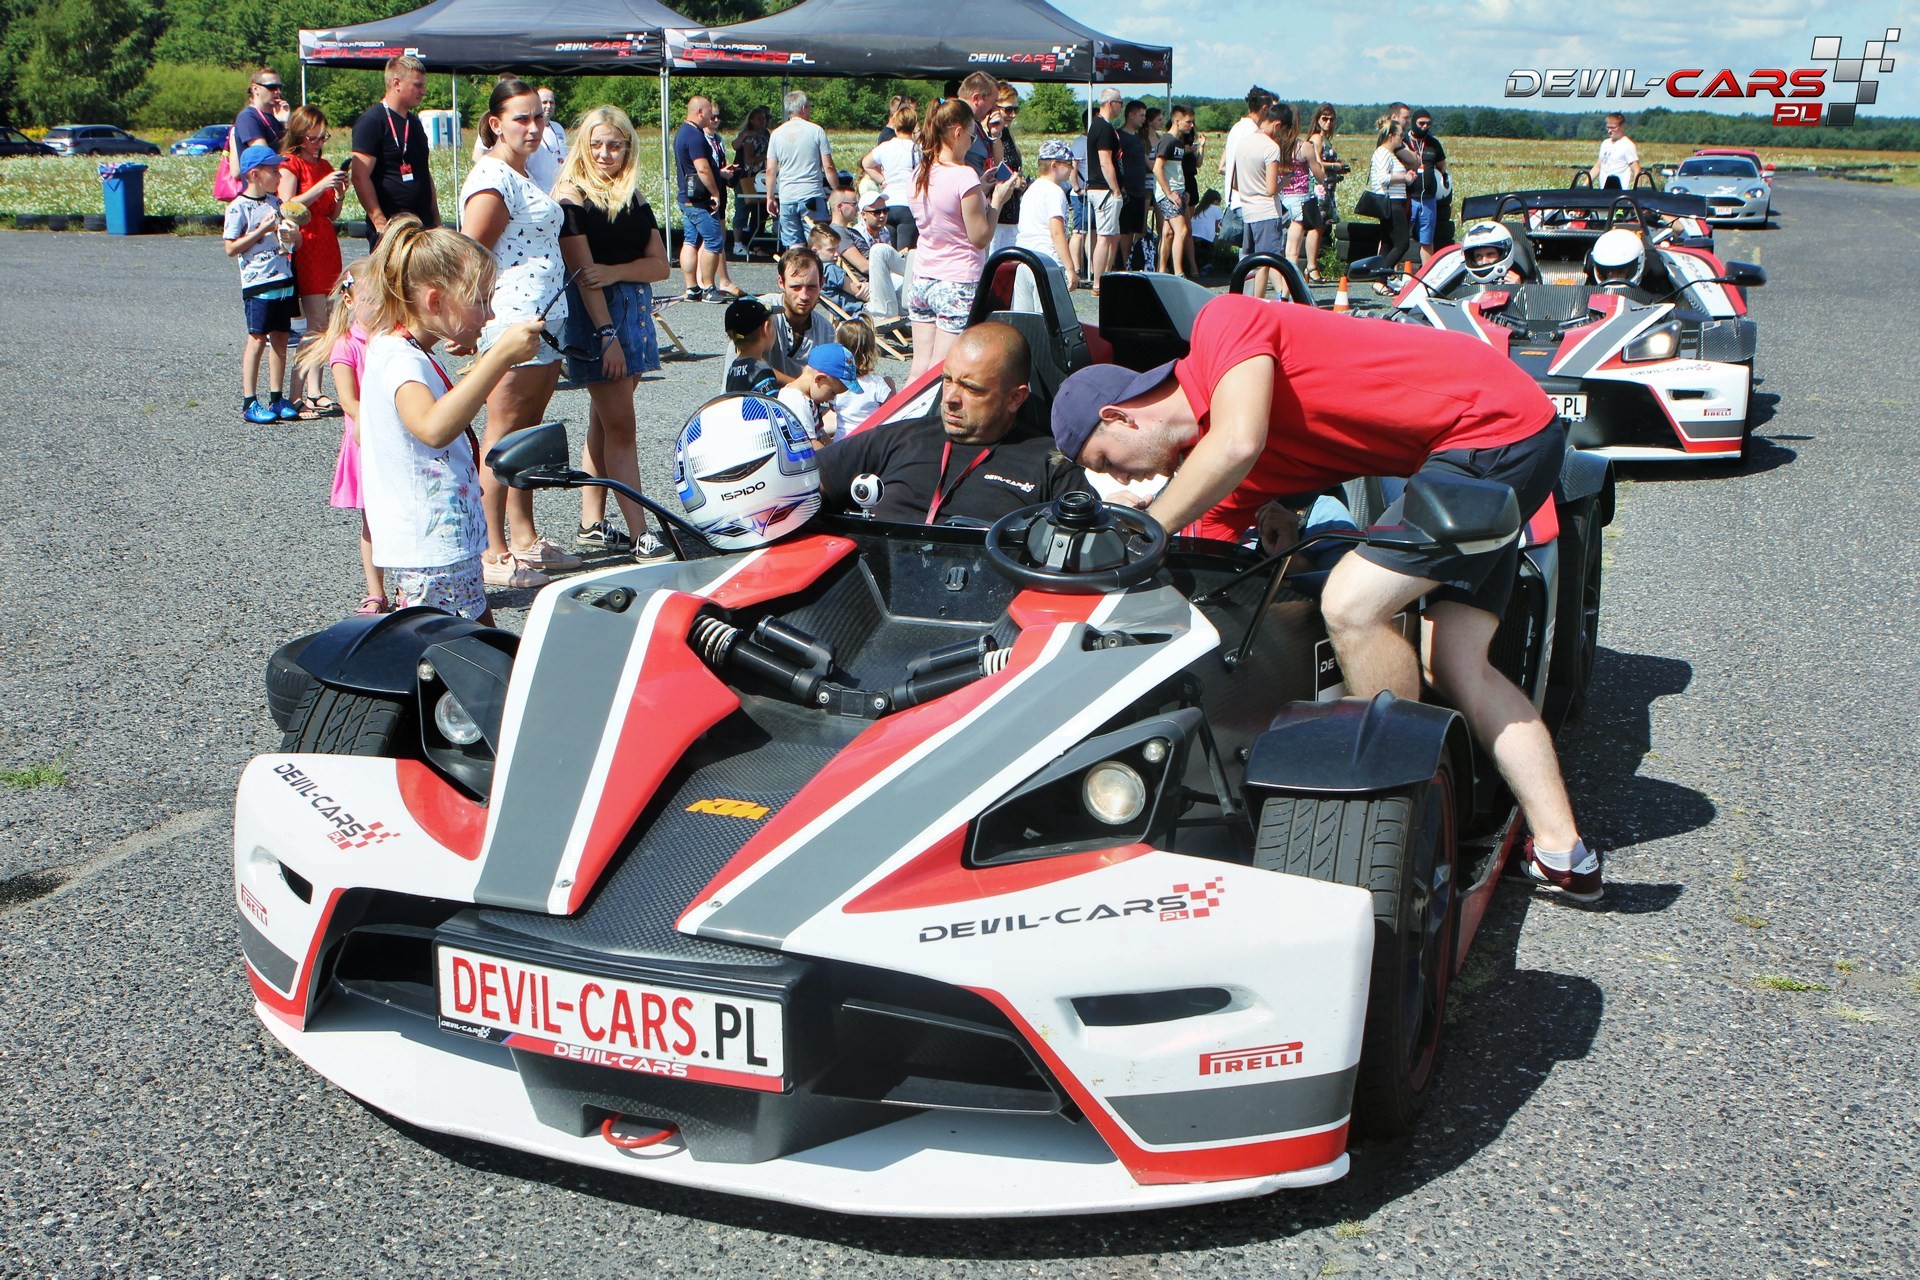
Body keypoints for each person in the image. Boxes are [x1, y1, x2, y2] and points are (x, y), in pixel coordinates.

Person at [1049, 292, 1603, 903]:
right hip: (1487, 447)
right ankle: (1564, 855)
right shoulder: (1227, 474)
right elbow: (1208, 582)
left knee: (1353, 604)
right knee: (1455, 662)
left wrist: (1148, 531)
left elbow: (1236, 443)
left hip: (1493, 425)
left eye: (1106, 460)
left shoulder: (1223, 325)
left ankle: (1397, 829)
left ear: (1120, 416)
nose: (1118, 478)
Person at [358, 216, 545, 624]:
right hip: (432, 550)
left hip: (445, 543)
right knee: (455, 650)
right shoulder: (400, 359)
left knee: (476, 643)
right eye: (479, 300)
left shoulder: (405, 350)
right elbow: (433, 428)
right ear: (435, 302)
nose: (489, 312)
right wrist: (499, 358)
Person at [461, 77, 582, 590]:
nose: (534, 127)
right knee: (502, 435)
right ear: (496, 124)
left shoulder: (525, 172)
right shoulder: (492, 177)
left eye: (539, 116)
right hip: (512, 319)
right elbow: (471, 253)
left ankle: (524, 536)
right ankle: (492, 549)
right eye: (521, 118)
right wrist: (469, 319)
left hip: (544, 319)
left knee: (527, 436)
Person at [820, 322, 1089, 523]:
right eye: (947, 380)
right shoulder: (901, 437)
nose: (949, 398)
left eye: (971, 389)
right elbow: (805, 484)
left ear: (1015, 398)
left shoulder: (1051, 464)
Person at [556, 105, 674, 563]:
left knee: (604, 422)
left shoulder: (632, 193)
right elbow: (584, 275)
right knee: (622, 428)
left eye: (615, 145)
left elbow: (661, 266)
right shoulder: (571, 195)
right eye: (597, 144)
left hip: (635, 313)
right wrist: (606, 334)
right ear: (583, 146)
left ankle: (592, 522)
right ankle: (641, 533)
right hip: (598, 319)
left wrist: (615, 271)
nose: (605, 154)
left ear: (628, 147)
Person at [295, 267, 386, 613]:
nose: (377, 306)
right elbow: (348, 401)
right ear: (348, 300)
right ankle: (376, 591)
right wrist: (379, 423)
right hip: (367, 443)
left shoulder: (394, 338)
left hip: (399, 441)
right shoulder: (346, 345)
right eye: (369, 299)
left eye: (383, 298)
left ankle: (410, 586)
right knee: (372, 521)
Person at [907, 98, 1012, 380]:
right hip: (957, 281)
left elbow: (945, 211)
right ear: (957, 132)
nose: (971, 142)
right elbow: (979, 237)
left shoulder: (919, 172)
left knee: (919, 369)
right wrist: (997, 201)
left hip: (923, 277)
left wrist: (980, 187)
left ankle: (906, 409)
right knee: (940, 372)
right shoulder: (964, 176)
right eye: (971, 136)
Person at [277, 105, 350, 418]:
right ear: (299, 135)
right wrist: (321, 186)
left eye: (323, 137)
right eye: (313, 138)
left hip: (326, 241)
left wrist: (339, 194)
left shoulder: (324, 165)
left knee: (328, 322)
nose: (319, 143)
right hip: (305, 244)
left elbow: (331, 213)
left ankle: (315, 390)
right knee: (316, 322)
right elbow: (287, 205)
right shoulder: (290, 163)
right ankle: (296, 393)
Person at [225, 145, 300, 424]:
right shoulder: (238, 207)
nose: (279, 176)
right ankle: (249, 401)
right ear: (255, 174)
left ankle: (276, 397)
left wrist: (292, 236)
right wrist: (261, 230)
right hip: (258, 282)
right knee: (258, 338)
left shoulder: (276, 203)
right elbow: (231, 248)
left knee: (281, 337)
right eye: (273, 171)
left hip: (283, 279)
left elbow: (293, 241)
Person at [349, 56, 437, 251]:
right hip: (392, 230)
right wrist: (379, 220)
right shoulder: (372, 121)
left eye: (423, 86)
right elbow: (359, 176)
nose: (423, 92)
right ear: (396, 83)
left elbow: (424, 173)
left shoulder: (414, 123)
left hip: (422, 227)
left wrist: (436, 221)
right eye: (417, 85)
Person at [675, 95, 743, 302]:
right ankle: (708, 287)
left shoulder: (682, 132)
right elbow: (702, 168)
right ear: (700, 112)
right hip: (700, 200)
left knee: (690, 241)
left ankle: (692, 288)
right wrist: (715, 192)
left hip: (686, 197)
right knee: (714, 241)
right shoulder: (696, 137)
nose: (712, 116)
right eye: (709, 112)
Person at [765, 90, 834, 250]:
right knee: (818, 244)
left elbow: (770, 170)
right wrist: (837, 189)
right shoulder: (816, 131)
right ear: (803, 108)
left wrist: (770, 197)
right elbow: (828, 166)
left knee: (794, 246)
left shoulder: (776, 134)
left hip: (787, 196)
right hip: (811, 194)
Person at [1012, 139, 1076, 312]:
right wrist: (1070, 268)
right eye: (1068, 164)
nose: (1072, 168)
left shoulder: (1031, 190)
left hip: (1023, 260)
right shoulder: (1055, 192)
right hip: (1047, 262)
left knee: (1025, 319)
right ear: (1055, 165)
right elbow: (1057, 233)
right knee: (1049, 318)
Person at [1233, 103, 1286, 299]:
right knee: (1266, 262)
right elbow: (1271, 189)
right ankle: (1261, 300)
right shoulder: (1271, 147)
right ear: (1278, 125)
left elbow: (1235, 183)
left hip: (1248, 211)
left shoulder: (1243, 143)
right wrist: (1285, 181)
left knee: (1250, 261)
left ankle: (1247, 299)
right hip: (1267, 212)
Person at [767, 245, 838, 384]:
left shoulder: (826, 331)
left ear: (821, 283)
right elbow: (750, 366)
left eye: (811, 287)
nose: (804, 296)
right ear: (781, 282)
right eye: (796, 287)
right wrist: (798, 387)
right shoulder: (760, 313)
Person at [1271, 103, 1326, 279]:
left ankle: (1277, 284)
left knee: (1276, 248)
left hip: (1277, 196)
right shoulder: (1304, 146)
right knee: (1292, 251)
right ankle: (1288, 288)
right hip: (1298, 199)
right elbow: (1320, 176)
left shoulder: (1273, 145)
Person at [862, 102, 921, 250]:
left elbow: (866, 163)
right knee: (905, 253)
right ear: (914, 125)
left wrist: (882, 179)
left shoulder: (885, 147)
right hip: (909, 204)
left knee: (890, 251)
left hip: (888, 204)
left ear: (895, 124)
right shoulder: (918, 150)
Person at [1219, 85, 1277, 236]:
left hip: (1234, 200)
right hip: (1248, 201)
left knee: (1247, 246)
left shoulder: (1236, 128)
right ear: (1264, 108)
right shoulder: (1253, 132)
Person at [778, 342, 861, 445]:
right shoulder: (797, 402)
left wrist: (835, 449)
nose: (832, 399)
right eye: (833, 393)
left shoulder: (806, 399)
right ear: (819, 378)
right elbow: (811, 446)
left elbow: (821, 433)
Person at [1084, 88, 1125, 293]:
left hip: (1102, 189)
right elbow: (1105, 161)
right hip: (1104, 190)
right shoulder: (1103, 128)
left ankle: (1105, 277)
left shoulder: (1100, 126)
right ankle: (1098, 282)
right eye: (1120, 102)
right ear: (1111, 103)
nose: (1121, 107)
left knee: (1112, 236)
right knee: (1105, 237)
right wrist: (1115, 189)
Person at [1153, 105, 1199, 278]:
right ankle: (1179, 272)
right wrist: (1169, 193)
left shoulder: (1179, 142)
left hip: (1179, 191)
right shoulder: (1168, 141)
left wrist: (1183, 191)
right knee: (1182, 230)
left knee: (1169, 232)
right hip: (1169, 193)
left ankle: (1162, 269)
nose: (1191, 125)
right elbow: (1157, 168)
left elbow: (1176, 171)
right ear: (1177, 121)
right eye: (1188, 122)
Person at [1368, 117, 1413, 294]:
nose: (1402, 138)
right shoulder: (1383, 153)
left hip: (1395, 200)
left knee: (1387, 243)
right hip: (1391, 202)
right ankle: (1380, 279)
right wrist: (1404, 177)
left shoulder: (1390, 154)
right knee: (1402, 243)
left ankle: (1382, 280)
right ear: (1391, 136)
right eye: (1401, 135)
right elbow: (1382, 178)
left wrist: (1407, 178)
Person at [830, 316, 895, 436]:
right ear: (871, 351)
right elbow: (892, 409)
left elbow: (833, 407)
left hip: (842, 441)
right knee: (889, 381)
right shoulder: (876, 383)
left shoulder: (835, 383)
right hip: (869, 441)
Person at [1303, 105, 1346, 282]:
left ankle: (1312, 266)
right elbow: (1316, 162)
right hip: (1319, 188)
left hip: (1327, 187)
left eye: (1331, 119)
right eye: (1325, 118)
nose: (1328, 122)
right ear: (1318, 120)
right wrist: (1335, 166)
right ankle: (1311, 266)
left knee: (1321, 227)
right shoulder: (1316, 138)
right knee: (1316, 226)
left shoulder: (1326, 139)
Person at [1407, 109, 1448, 264]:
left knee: (1427, 240)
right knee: (1399, 238)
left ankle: (1426, 271)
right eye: (1421, 123)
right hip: (1408, 198)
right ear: (1413, 122)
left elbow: (1441, 166)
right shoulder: (1404, 142)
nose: (1425, 127)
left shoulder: (1433, 144)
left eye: (1428, 124)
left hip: (1429, 200)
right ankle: (1391, 273)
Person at [731, 105, 772, 258]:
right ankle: (737, 243)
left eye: (765, 118)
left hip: (762, 178)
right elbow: (749, 160)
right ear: (752, 120)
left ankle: (756, 244)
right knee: (742, 209)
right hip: (747, 178)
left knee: (760, 211)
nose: (764, 121)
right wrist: (766, 157)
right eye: (760, 118)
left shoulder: (766, 134)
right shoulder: (748, 137)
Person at [990, 83, 1026, 252]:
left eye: (1016, 110)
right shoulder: (990, 135)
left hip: (1011, 212)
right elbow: (992, 167)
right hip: (994, 213)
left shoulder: (1007, 134)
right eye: (1008, 109)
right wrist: (1012, 181)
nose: (1013, 115)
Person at [1117, 100, 1151, 270]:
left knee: (1136, 229)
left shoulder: (1138, 137)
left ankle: (1132, 262)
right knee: (1124, 231)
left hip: (1139, 190)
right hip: (1127, 190)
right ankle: (1123, 265)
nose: (1144, 119)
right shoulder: (1119, 136)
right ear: (1130, 115)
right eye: (1141, 115)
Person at [723, 296, 781, 395]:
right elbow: (771, 403)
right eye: (773, 324)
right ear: (766, 328)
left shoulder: (733, 368)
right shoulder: (761, 370)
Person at [809, 224, 866, 315]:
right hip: (861, 311)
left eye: (837, 248)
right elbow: (859, 292)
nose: (837, 254)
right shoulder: (830, 269)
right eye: (831, 250)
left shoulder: (814, 270)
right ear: (815, 251)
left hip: (847, 313)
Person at [957, 72, 1004, 176]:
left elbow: (997, 163)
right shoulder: (953, 121)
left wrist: (995, 135)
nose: (994, 109)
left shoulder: (974, 122)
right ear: (976, 98)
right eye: (993, 103)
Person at [231, 70, 286, 160]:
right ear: (255, 89)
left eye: (280, 87)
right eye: (272, 87)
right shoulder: (247, 117)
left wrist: (286, 123)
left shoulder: (277, 116)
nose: (278, 91)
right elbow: (264, 156)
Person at [1459, 221, 1524, 286]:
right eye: (1479, 256)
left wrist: (1517, 287)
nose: (1484, 261)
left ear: (1502, 254)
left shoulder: (1523, 284)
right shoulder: (1466, 284)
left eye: (1490, 254)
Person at [1590, 113, 1641, 189]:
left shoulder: (1627, 144)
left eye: (1613, 128)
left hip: (1619, 191)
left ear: (1622, 126)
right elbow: (1598, 166)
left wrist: (1638, 190)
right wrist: (1584, 185)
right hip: (1603, 191)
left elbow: (1636, 169)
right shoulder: (1605, 143)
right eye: (1608, 127)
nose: (1609, 131)